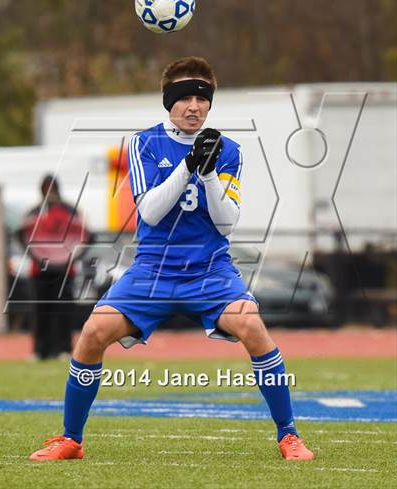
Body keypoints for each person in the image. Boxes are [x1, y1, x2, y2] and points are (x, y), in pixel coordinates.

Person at [29, 56, 313, 461]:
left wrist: (210, 172)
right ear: (168, 100)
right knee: (92, 334)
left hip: (209, 271)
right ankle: (71, 439)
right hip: (152, 271)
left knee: (252, 327)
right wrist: (188, 165)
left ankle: (289, 436)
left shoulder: (228, 149)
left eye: (202, 97)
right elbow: (149, 211)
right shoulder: (144, 142)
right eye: (184, 97)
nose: (194, 105)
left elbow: (226, 221)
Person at [19, 174, 88, 360]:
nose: (49, 192)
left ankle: (64, 349)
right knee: (40, 312)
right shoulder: (33, 212)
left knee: (63, 312)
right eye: (46, 188)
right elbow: (22, 236)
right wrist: (39, 258)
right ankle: (40, 351)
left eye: (52, 188)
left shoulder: (71, 211)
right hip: (39, 271)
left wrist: (69, 259)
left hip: (65, 271)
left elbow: (86, 236)